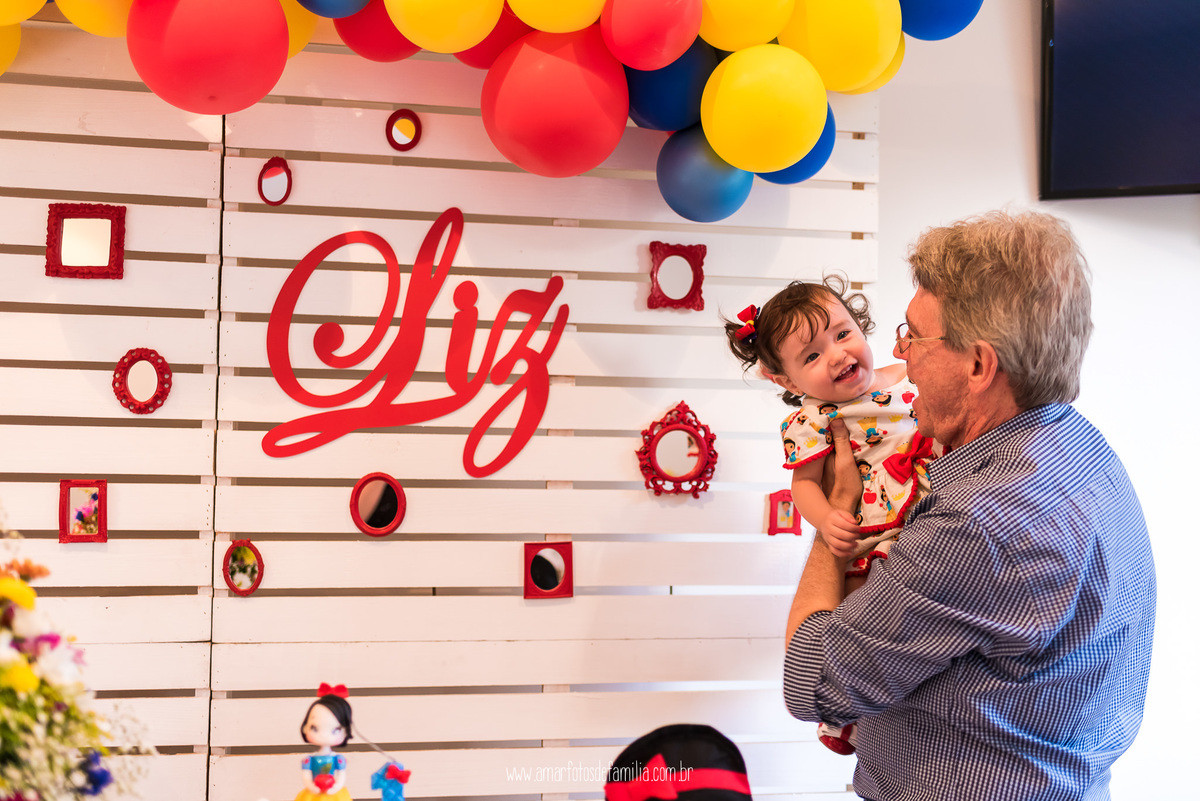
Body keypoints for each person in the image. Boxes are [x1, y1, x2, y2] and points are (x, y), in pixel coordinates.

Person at [781, 210, 1156, 800]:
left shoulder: (979, 521)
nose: (899, 353)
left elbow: (815, 683)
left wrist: (839, 512)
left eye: (914, 336)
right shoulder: (1084, 451)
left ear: (979, 365)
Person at [725, 275, 942, 755]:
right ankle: (845, 717)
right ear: (786, 381)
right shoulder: (814, 420)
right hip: (871, 524)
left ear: (861, 327)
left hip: (928, 502)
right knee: (858, 606)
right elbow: (803, 485)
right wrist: (827, 519)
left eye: (843, 334)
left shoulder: (903, 375)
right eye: (811, 356)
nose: (837, 355)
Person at [296, 686, 354, 801]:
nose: (324, 735)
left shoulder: (338, 759)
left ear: (345, 731)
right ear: (305, 727)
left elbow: (341, 775)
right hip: (313, 794)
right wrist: (312, 787)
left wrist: (336, 787)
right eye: (314, 728)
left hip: (334, 794)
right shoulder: (309, 759)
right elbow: (306, 775)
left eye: (335, 730)